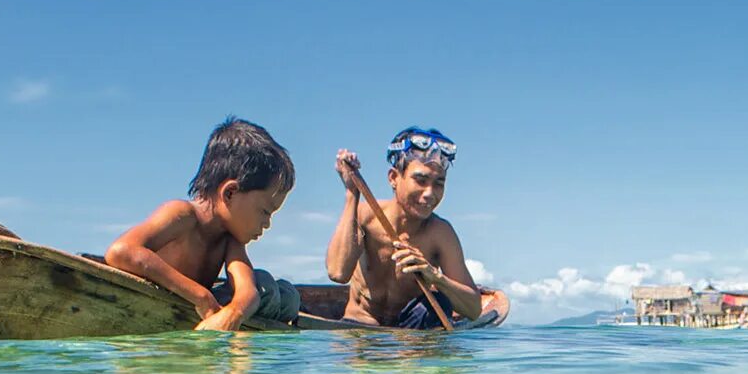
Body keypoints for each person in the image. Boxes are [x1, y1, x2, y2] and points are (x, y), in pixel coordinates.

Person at [105, 117, 299, 330]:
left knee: (284, 293)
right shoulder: (182, 214)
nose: (267, 224)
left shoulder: (230, 240)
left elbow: (248, 292)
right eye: (265, 212)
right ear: (230, 193)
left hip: (209, 310)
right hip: (166, 300)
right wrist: (201, 296)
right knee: (267, 287)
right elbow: (121, 251)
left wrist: (233, 314)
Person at [326, 128, 483, 328]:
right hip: (360, 328)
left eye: (439, 184)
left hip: (409, 336)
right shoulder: (365, 216)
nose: (430, 193)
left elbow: (473, 310)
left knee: (439, 304)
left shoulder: (441, 233)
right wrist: (352, 193)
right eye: (420, 180)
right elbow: (337, 273)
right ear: (393, 178)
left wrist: (435, 277)